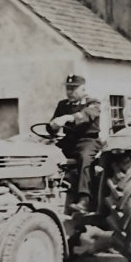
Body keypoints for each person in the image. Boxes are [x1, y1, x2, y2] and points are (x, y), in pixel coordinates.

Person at [48, 74, 102, 214]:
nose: (69, 92)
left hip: (88, 140)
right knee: (47, 154)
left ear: (83, 89)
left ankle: (84, 199)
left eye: (73, 89)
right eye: (68, 89)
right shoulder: (63, 105)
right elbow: (53, 123)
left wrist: (67, 118)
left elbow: (86, 116)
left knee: (85, 158)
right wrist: (53, 126)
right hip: (69, 141)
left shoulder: (93, 103)